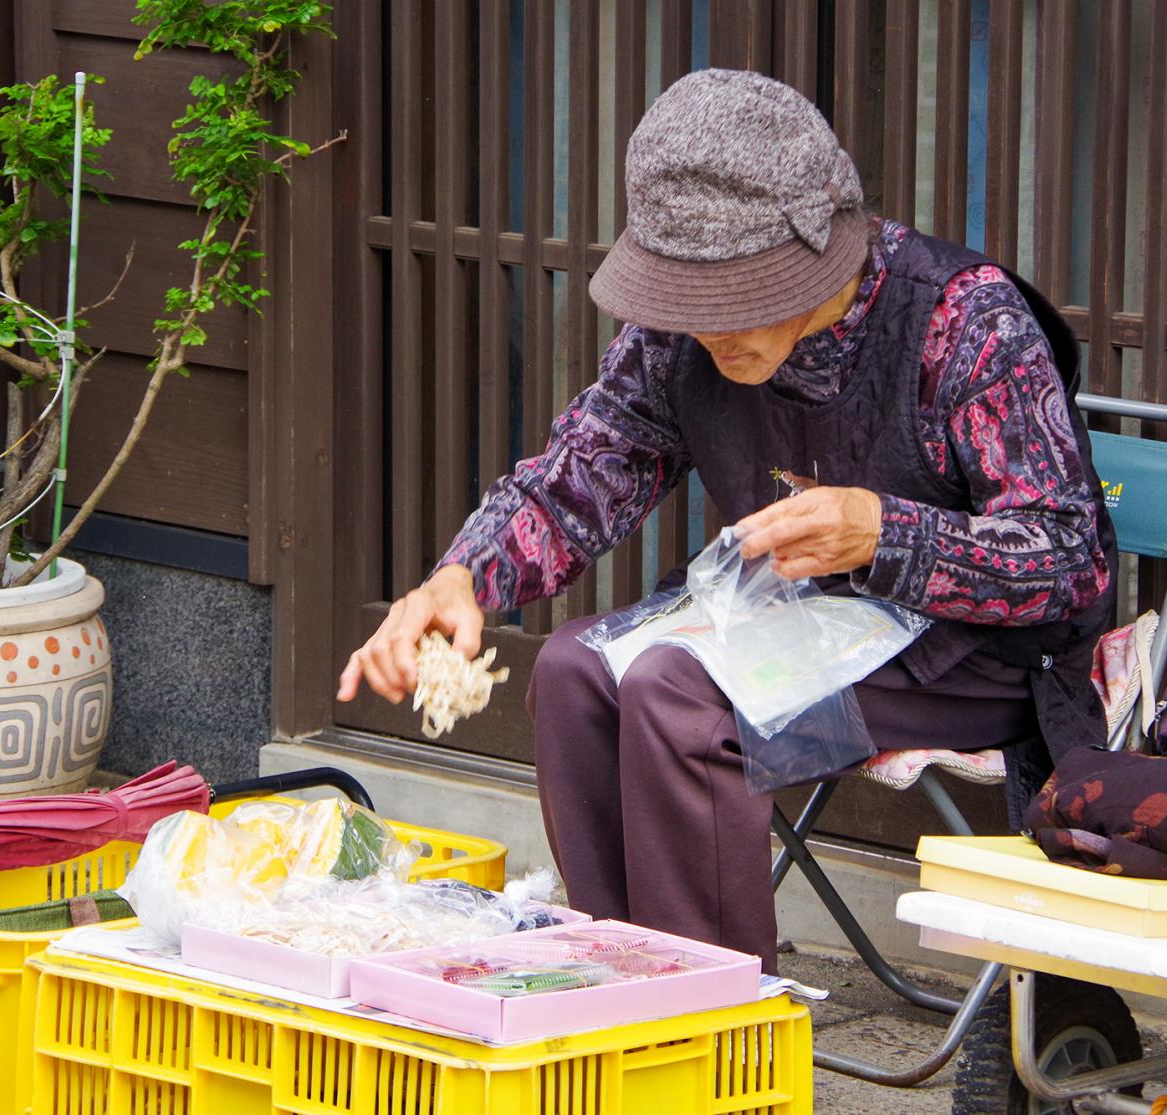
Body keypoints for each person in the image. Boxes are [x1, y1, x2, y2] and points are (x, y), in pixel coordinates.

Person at [336, 69, 1116, 973]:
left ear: (820, 252)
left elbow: (1068, 562)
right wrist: (460, 578)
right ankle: (622, 986)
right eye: (689, 299)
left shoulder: (963, 319)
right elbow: (587, 463)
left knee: (677, 693)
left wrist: (885, 533)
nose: (711, 327)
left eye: (738, 295)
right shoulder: (679, 336)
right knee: (571, 670)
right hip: (798, 625)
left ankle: (714, 1022)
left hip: (978, 652)